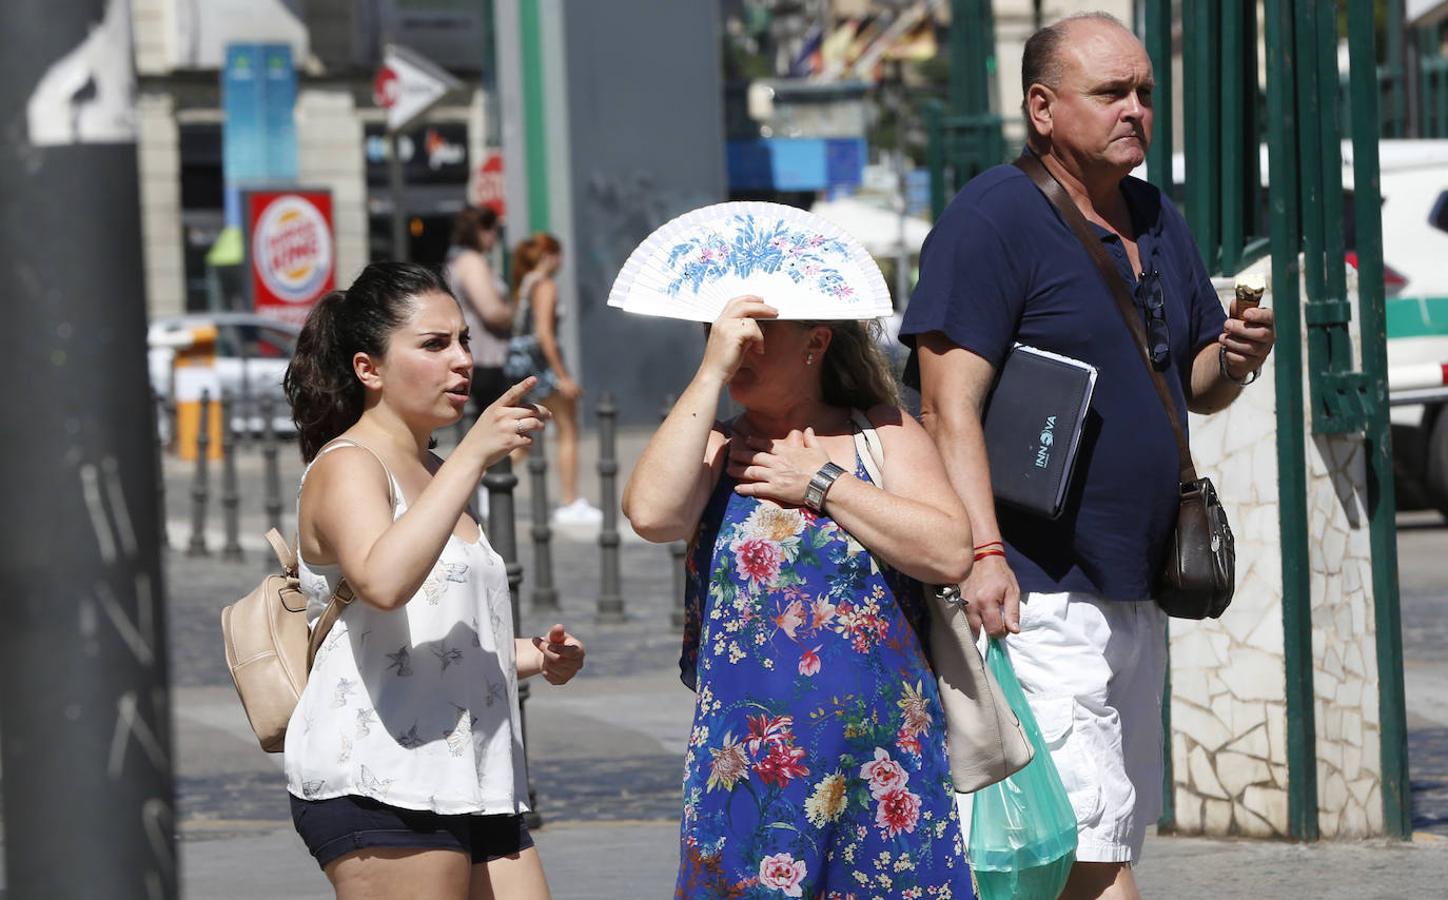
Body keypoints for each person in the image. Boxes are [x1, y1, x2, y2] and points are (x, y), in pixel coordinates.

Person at [900, 14, 1276, 900]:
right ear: (1041, 106)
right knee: (1083, 849)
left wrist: (1236, 356)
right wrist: (984, 555)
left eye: (1145, 92)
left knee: (1100, 840)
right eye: (1112, 92)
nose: (1137, 110)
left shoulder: (1154, 213)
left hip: (1134, 585)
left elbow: (1191, 379)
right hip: (1036, 591)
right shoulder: (991, 219)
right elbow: (948, 406)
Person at [623, 297, 976, 898]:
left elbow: (948, 551)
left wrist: (821, 483)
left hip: (882, 760)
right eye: (719, 332)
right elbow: (652, 515)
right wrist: (709, 372)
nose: (737, 347)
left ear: (815, 343)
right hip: (751, 767)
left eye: (754, 334)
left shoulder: (880, 430)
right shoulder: (714, 445)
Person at [281, 262, 586, 899]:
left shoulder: (436, 467)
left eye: (465, 341)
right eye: (433, 344)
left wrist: (533, 654)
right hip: (382, 779)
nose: (462, 361)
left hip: (475, 774)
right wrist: (474, 453)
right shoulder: (348, 465)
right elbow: (383, 583)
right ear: (369, 369)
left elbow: (428, 629)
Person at [509, 233, 601, 525]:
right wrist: (563, 376)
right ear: (550, 256)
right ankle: (570, 501)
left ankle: (485, 482)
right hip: (543, 368)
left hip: (522, 366)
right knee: (567, 431)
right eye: (559, 254)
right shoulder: (545, 285)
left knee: (526, 436)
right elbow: (545, 335)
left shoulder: (525, 283)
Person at [446, 206, 513, 413]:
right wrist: (513, 314)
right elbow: (491, 311)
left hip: (480, 353)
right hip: (486, 355)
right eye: (494, 230)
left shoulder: (458, 259)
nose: (495, 237)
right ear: (483, 231)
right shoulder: (472, 262)